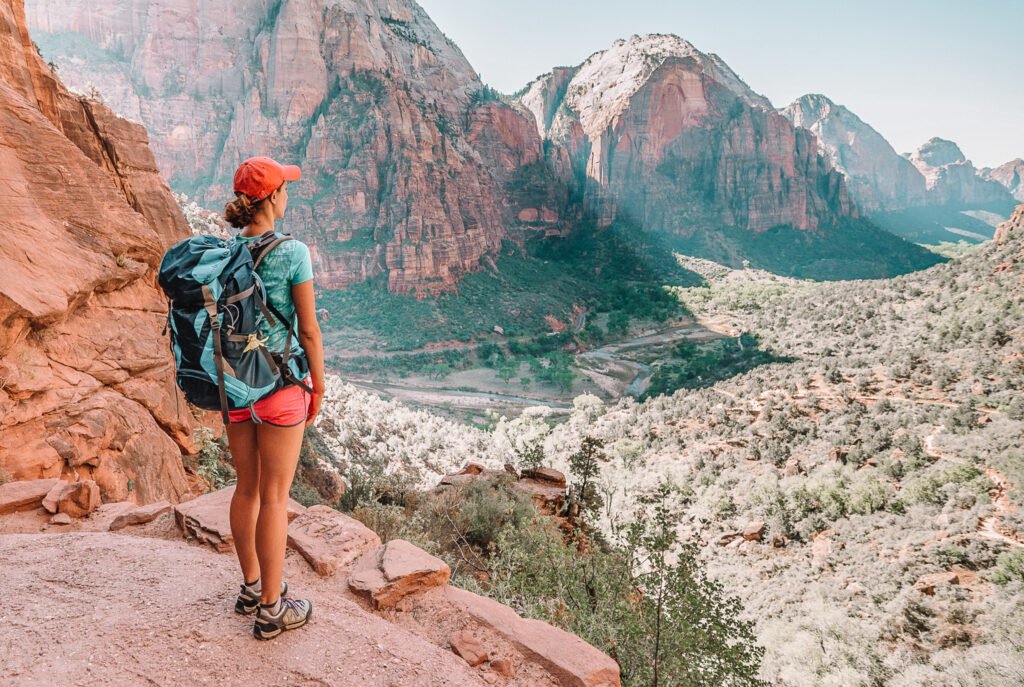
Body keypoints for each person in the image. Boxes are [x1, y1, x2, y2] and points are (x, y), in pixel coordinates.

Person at [221, 156, 325, 640]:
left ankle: (249, 587)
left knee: (246, 489)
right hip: (282, 388)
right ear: (272, 198)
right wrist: (318, 386)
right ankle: (271, 608)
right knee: (276, 498)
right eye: (285, 187)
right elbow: (308, 329)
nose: (289, 194)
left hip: (236, 385)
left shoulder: (225, 251)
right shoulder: (294, 251)